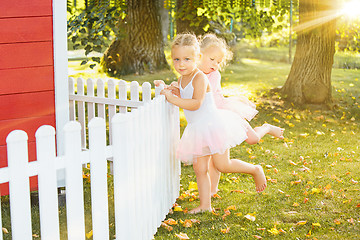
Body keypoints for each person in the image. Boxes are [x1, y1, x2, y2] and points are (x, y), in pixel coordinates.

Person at [156, 33, 267, 214]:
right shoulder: (182, 78)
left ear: (197, 58)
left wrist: (172, 98)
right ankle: (205, 205)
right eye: (177, 59)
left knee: (223, 165)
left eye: (186, 59)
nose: (181, 64)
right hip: (198, 129)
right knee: (199, 168)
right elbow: (184, 93)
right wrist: (170, 89)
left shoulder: (201, 78)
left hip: (213, 126)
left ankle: (255, 170)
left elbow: (195, 103)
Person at [198, 33, 285, 197]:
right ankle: (212, 190)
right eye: (212, 60)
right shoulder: (193, 73)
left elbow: (201, 91)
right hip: (209, 122)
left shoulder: (212, 75)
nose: (216, 65)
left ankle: (265, 131)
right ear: (199, 54)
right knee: (215, 159)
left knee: (252, 140)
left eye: (218, 62)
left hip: (222, 116)